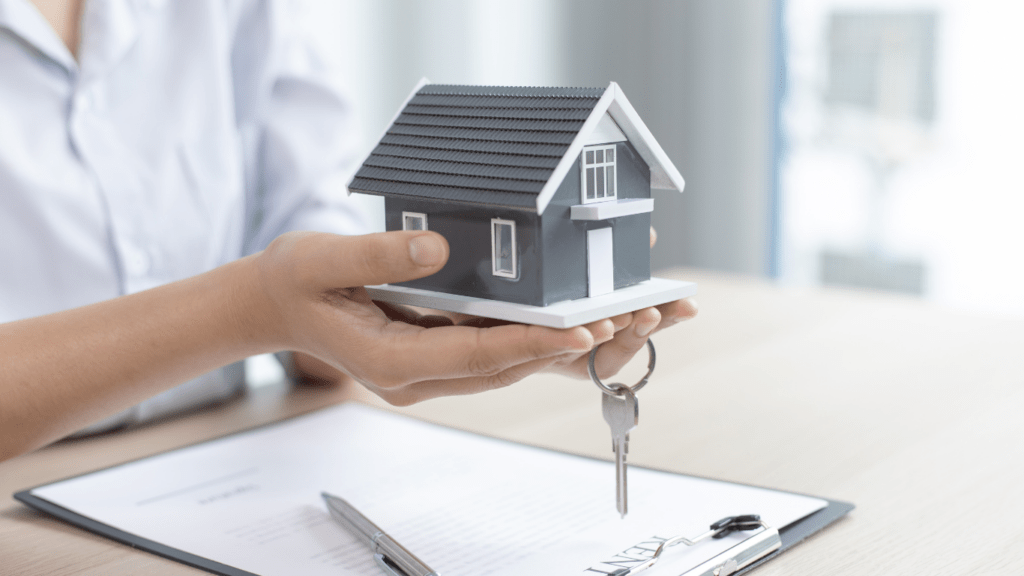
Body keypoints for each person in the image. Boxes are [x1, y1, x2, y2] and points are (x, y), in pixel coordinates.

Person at [0, 0, 697, 463]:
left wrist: (427, 306)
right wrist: (251, 311)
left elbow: (313, 260)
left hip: (241, 445)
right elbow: (272, 300)